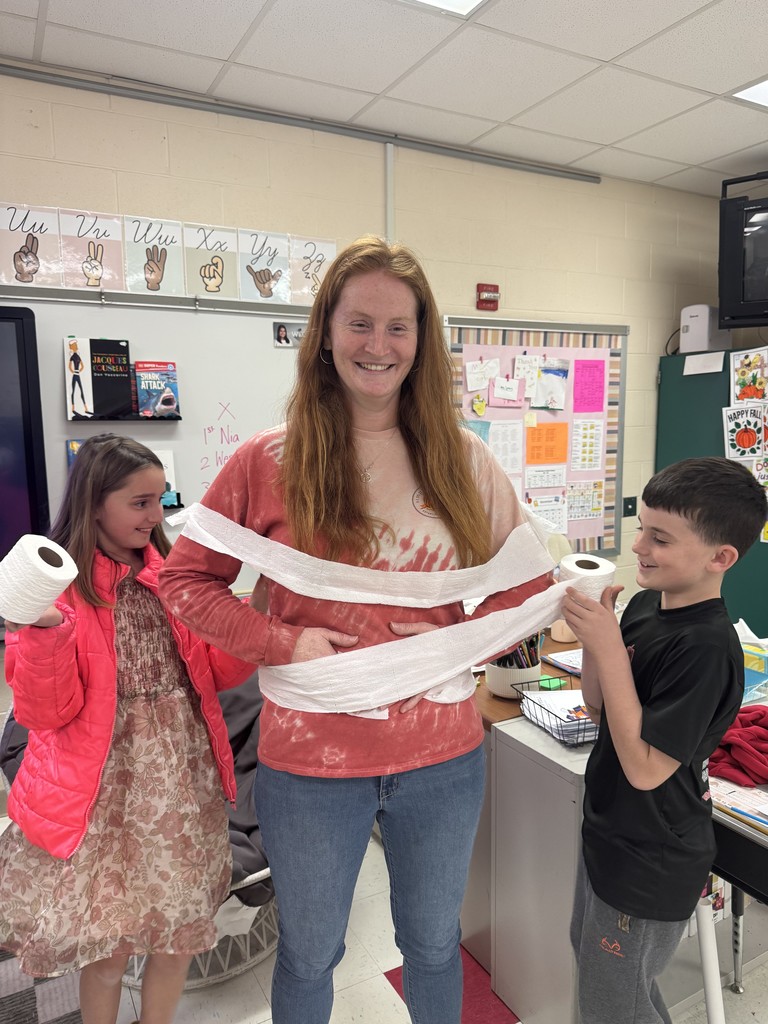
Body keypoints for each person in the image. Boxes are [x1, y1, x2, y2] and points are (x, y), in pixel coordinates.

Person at [158, 235, 554, 1024]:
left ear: (421, 340)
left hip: (442, 756)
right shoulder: (266, 462)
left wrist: (460, 637)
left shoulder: (467, 464)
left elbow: (529, 589)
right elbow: (184, 580)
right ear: (326, 333)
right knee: (310, 954)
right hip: (309, 762)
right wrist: (284, 642)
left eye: (398, 327)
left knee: (436, 945)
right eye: (359, 323)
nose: (378, 346)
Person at [0, 433, 255, 1024]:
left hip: (178, 781)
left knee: (176, 933)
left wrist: (253, 611)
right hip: (101, 788)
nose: (155, 516)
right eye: (139, 503)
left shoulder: (176, 579)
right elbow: (44, 714)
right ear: (94, 504)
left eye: (160, 501)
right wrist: (42, 632)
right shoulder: (61, 592)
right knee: (110, 946)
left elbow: (218, 673)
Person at [562, 457, 768, 1024]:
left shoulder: (706, 648)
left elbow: (648, 768)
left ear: (719, 558)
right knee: (601, 972)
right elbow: (601, 705)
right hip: (610, 831)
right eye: (641, 529)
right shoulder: (649, 605)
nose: (639, 547)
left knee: (611, 1006)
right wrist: (595, 640)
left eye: (660, 537)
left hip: (651, 856)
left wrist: (608, 649)